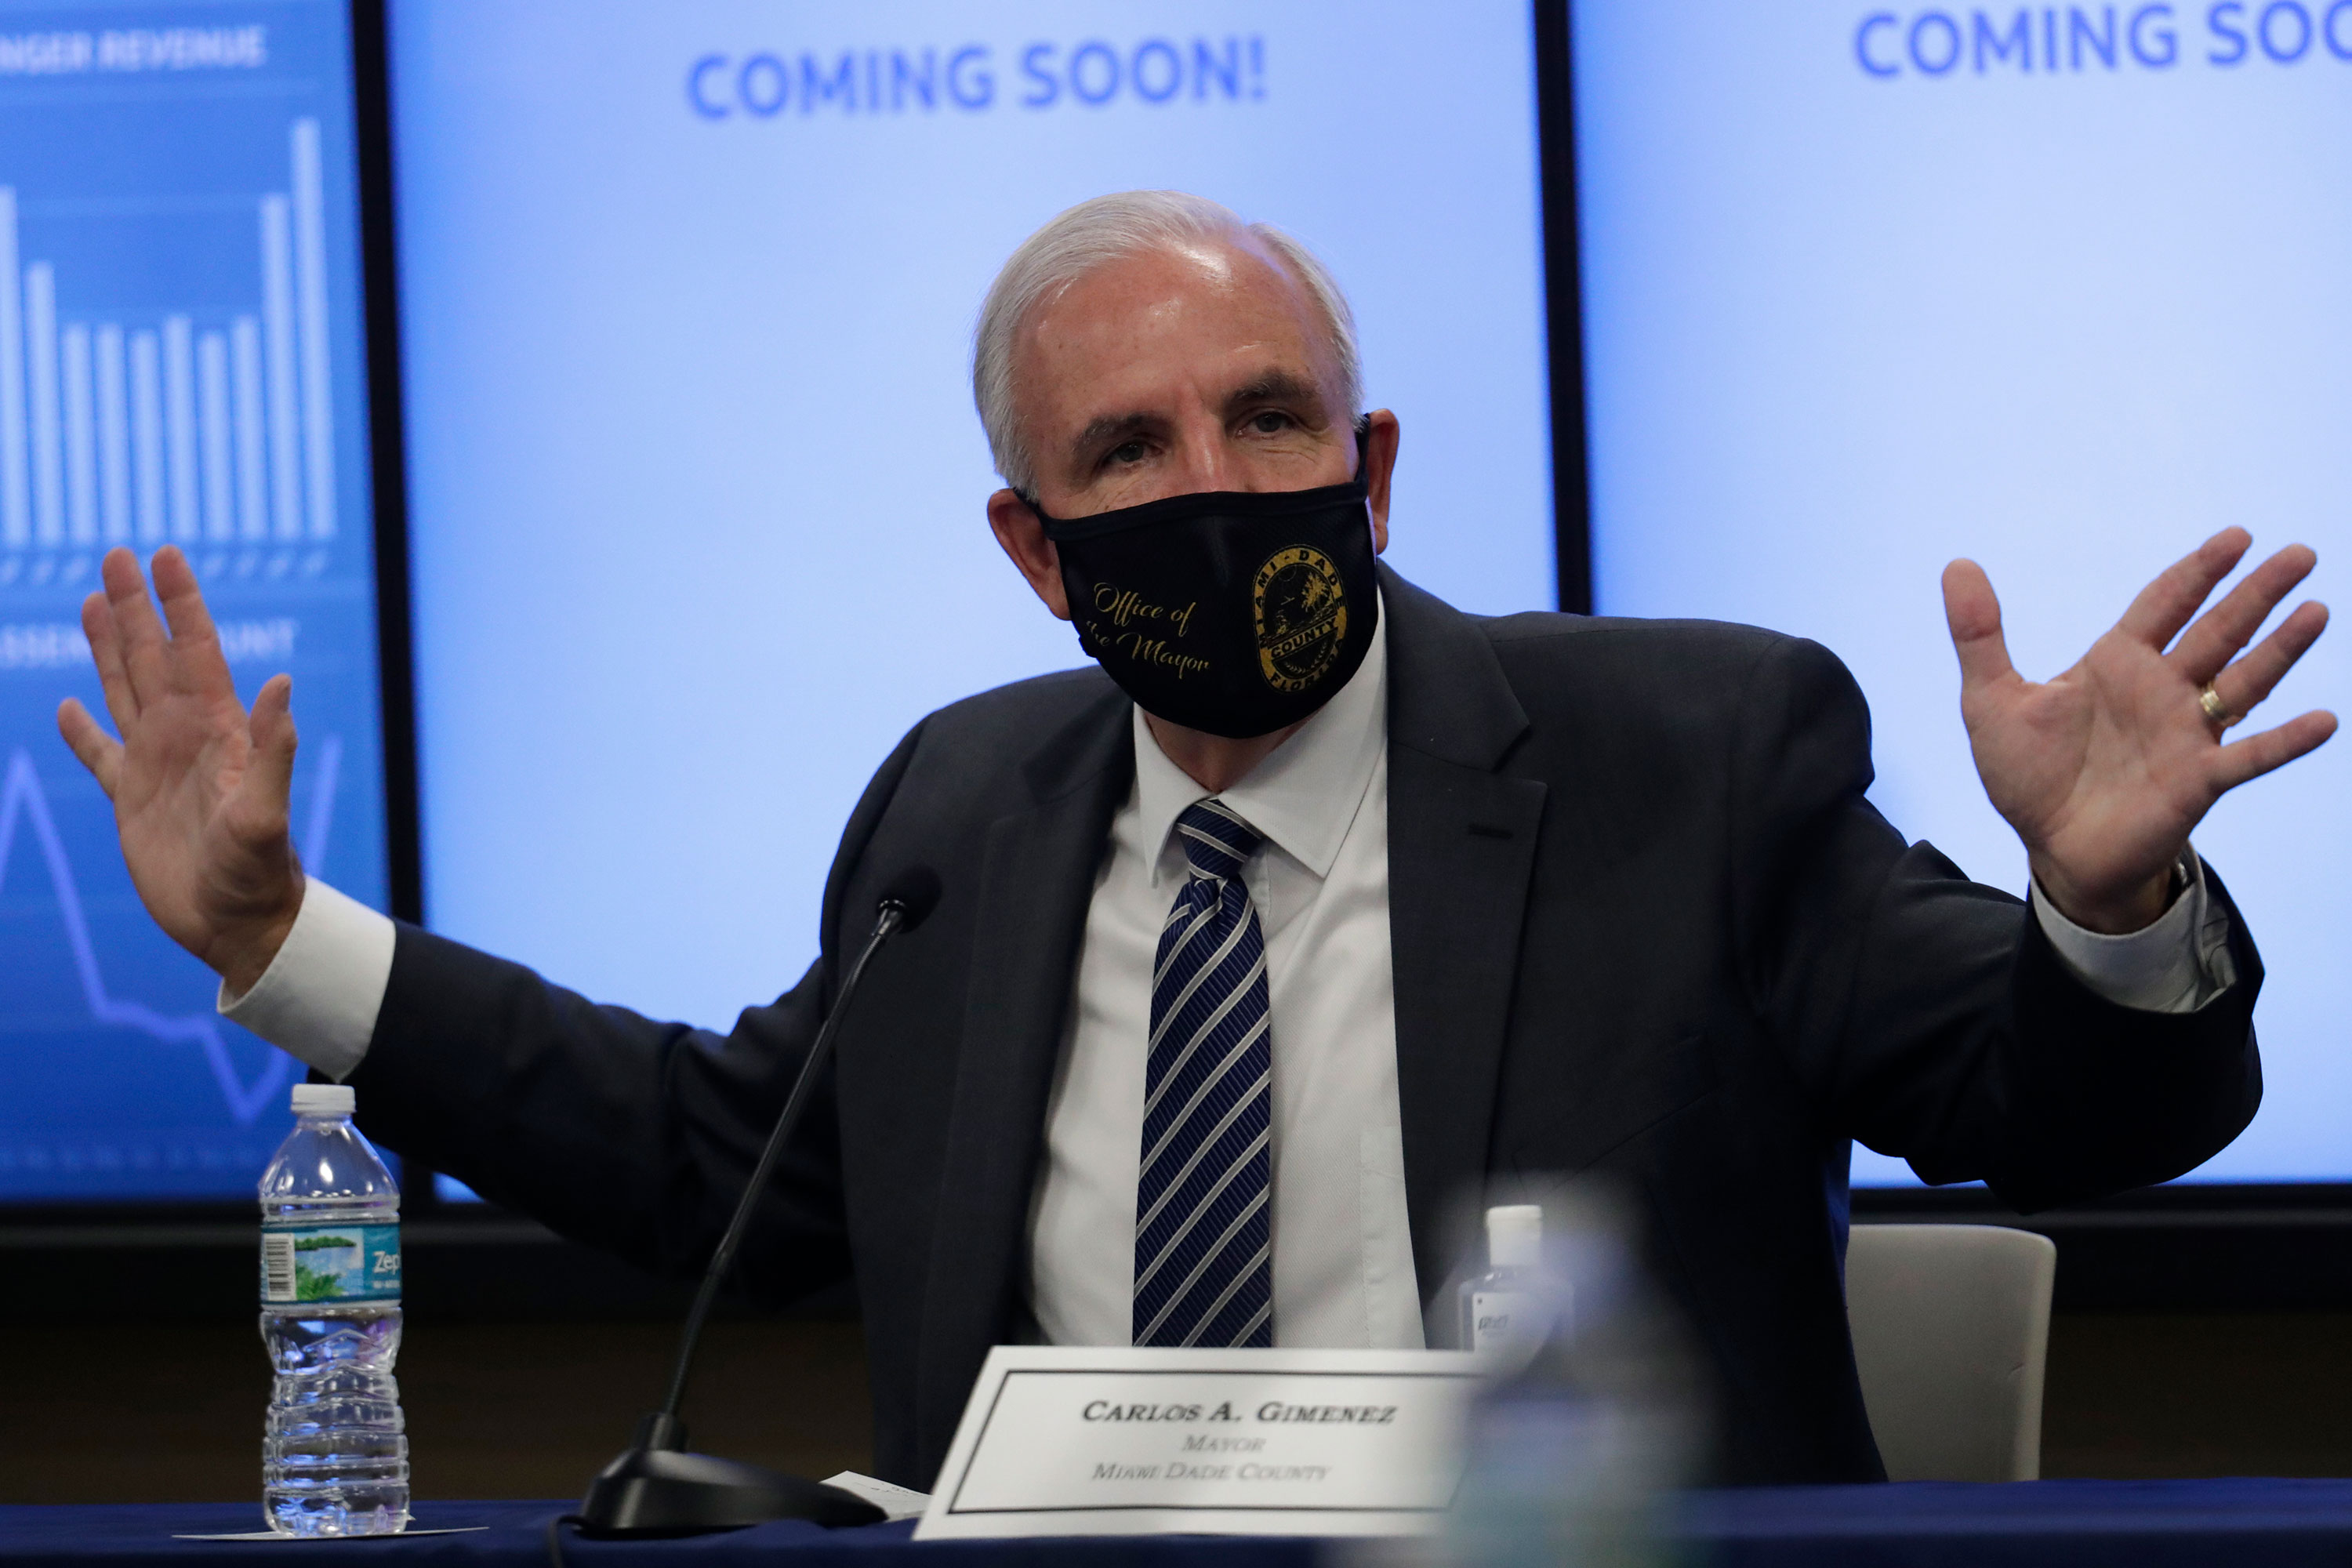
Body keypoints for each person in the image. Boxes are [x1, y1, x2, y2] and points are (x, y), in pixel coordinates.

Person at [60, 192, 2332, 1487]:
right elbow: (704, 1163)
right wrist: (277, 934)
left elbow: (2048, 1097)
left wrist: (2108, 902)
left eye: (1272, 418)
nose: (1218, 484)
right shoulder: (965, 804)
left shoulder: (1693, 753)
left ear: (1375, 464)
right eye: (1129, 452)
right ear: (1038, 554)